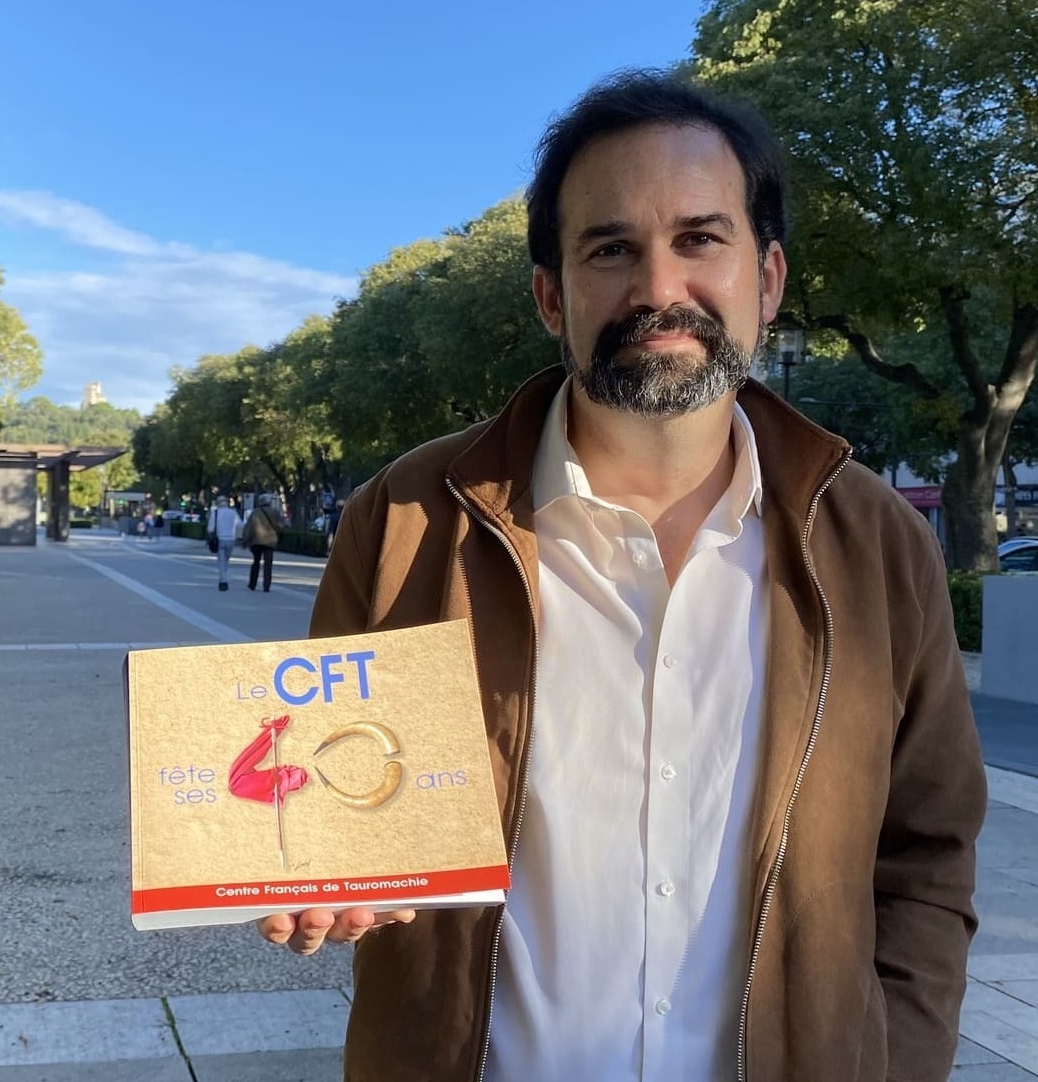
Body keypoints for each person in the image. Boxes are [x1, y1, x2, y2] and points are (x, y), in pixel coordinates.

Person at [258, 70, 985, 1082]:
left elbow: (928, 857)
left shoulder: (873, 544)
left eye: (701, 238)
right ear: (551, 294)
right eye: (611, 249)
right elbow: (327, 812)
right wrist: (302, 868)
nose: (657, 289)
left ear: (767, 277)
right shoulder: (406, 522)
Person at [243, 492, 285, 592]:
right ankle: (266, 586)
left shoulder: (255, 512)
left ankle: (252, 584)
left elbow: (248, 527)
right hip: (270, 541)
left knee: (256, 563)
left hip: (256, 541)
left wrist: (246, 540)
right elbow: (281, 526)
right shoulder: (275, 512)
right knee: (268, 565)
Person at [206, 494, 241, 591]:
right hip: (231, 539)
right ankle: (224, 576)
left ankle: (223, 580)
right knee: (226, 560)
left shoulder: (215, 513)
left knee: (221, 560)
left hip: (220, 539)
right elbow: (239, 525)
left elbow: (210, 528)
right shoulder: (233, 513)